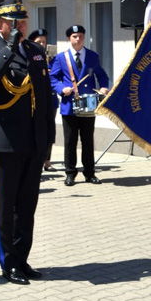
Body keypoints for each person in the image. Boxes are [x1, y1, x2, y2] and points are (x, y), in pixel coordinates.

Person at [0, 0, 55, 285]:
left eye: (21, 21)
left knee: (27, 205)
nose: (18, 26)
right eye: (11, 22)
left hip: (32, 140)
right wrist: (8, 47)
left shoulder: (35, 52)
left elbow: (46, 98)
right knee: (5, 207)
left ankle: (22, 258)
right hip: (3, 140)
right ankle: (8, 263)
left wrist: (47, 141)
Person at [50, 24, 109, 186]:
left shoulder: (92, 56)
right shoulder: (61, 58)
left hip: (88, 103)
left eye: (81, 36)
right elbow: (52, 78)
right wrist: (62, 89)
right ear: (69, 39)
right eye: (75, 36)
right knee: (70, 141)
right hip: (69, 105)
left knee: (88, 140)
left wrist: (104, 87)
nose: (78, 39)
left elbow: (102, 76)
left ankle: (89, 173)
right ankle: (70, 173)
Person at [28, 28, 57, 174]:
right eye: (39, 42)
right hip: (36, 100)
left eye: (44, 42)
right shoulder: (31, 57)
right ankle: (37, 159)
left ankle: (47, 160)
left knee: (49, 129)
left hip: (50, 99)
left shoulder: (52, 59)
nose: (42, 44)